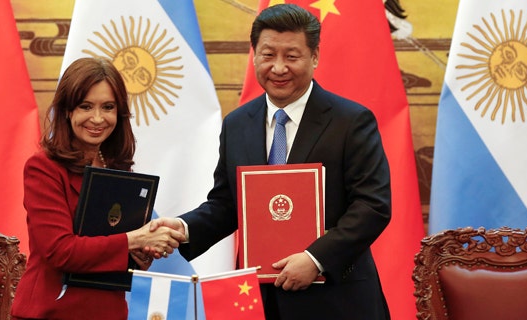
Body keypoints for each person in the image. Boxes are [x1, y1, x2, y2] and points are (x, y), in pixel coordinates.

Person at [150, 4, 391, 319]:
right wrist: (183, 227)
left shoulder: (351, 121)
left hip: (337, 299)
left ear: (314, 57)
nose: (279, 68)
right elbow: (227, 204)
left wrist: (315, 259)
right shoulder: (237, 124)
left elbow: (372, 206)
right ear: (254, 56)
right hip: (259, 300)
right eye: (268, 55)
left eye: (292, 57)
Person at [11, 57, 184, 320]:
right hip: (50, 312)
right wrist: (136, 239)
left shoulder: (118, 168)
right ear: (68, 110)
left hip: (108, 310)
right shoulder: (42, 168)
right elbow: (61, 251)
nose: (97, 118)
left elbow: (115, 246)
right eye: (86, 106)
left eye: (108, 107)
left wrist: (144, 251)